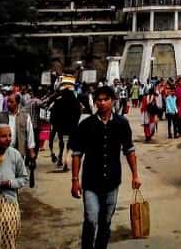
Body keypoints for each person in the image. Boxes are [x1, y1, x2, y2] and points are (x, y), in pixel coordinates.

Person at [70, 86, 140, 249]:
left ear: (113, 100)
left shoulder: (121, 123)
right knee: (91, 218)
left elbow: (129, 150)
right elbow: (77, 154)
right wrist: (75, 180)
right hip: (91, 181)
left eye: (105, 99)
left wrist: (135, 174)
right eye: (99, 100)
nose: (102, 103)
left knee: (106, 221)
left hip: (112, 180)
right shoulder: (86, 125)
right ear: (95, 103)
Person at [0, 94, 36, 173]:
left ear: (17, 103)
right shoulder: (1, 116)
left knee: (17, 173)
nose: (8, 104)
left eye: (11, 102)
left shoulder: (25, 117)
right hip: (4, 151)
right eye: (8, 102)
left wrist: (31, 152)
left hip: (19, 151)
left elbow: (30, 135)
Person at [49, 79, 80, 171]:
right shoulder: (75, 100)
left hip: (60, 124)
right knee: (69, 143)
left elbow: (53, 112)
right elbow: (78, 113)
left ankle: (60, 158)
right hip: (71, 125)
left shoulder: (58, 100)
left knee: (61, 140)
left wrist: (54, 123)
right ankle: (65, 159)